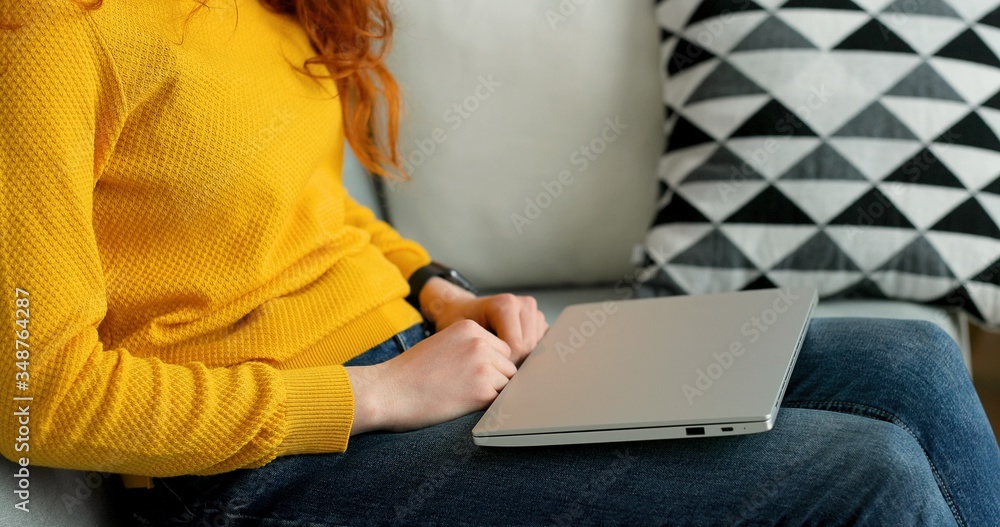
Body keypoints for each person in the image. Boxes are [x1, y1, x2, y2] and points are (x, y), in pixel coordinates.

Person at [1, 0, 997, 525]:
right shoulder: (50, 34)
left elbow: (308, 207)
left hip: (423, 368)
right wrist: (377, 395)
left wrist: (437, 289)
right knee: (867, 474)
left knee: (910, 358)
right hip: (266, 469)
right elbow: (33, 395)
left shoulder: (267, 6)